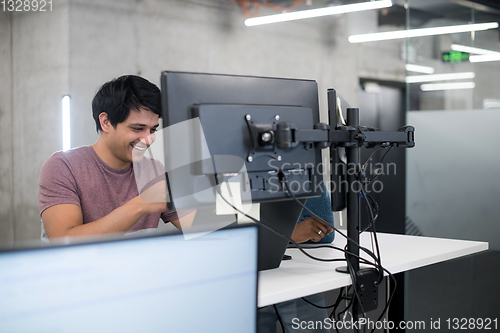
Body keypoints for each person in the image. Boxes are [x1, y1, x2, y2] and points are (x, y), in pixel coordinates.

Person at [39, 75, 193, 239]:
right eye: (138, 128)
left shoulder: (154, 171)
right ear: (106, 122)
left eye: (153, 130)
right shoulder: (63, 167)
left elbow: (199, 225)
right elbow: (65, 240)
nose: (149, 139)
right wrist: (142, 204)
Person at [258, 184, 335, 333]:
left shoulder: (300, 166)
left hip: (295, 279)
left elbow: (323, 229)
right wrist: (289, 234)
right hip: (247, 280)